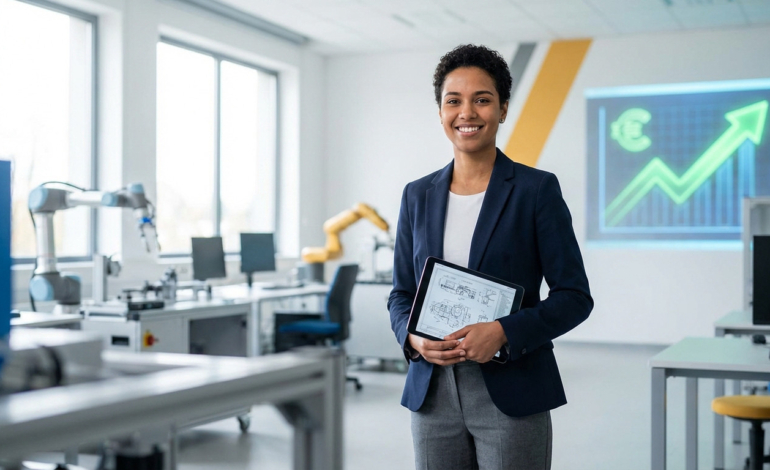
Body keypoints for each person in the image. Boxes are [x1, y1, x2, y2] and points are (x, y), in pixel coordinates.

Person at [388, 44, 593, 470]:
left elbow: (574, 295)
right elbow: (401, 295)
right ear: (441, 111)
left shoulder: (536, 190)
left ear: (502, 110)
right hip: (433, 393)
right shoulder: (417, 195)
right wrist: (413, 337)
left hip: (512, 390)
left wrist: (503, 330)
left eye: (482, 99)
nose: (467, 113)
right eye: (454, 101)